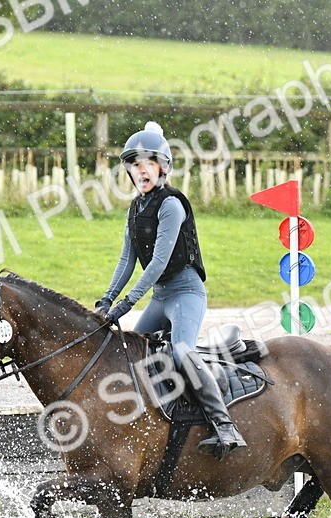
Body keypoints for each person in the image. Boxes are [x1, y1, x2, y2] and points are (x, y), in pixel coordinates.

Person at [96, 121, 247, 459]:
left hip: (185, 295)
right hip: (160, 298)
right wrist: (107, 299)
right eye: (135, 165)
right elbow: (127, 260)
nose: (141, 170)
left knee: (181, 352)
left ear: (163, 167)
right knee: (131, 354)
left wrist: (127, 303)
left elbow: (158, 263)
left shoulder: (172, 205)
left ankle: (225, 426)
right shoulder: (135, 209)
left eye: (148, 163)